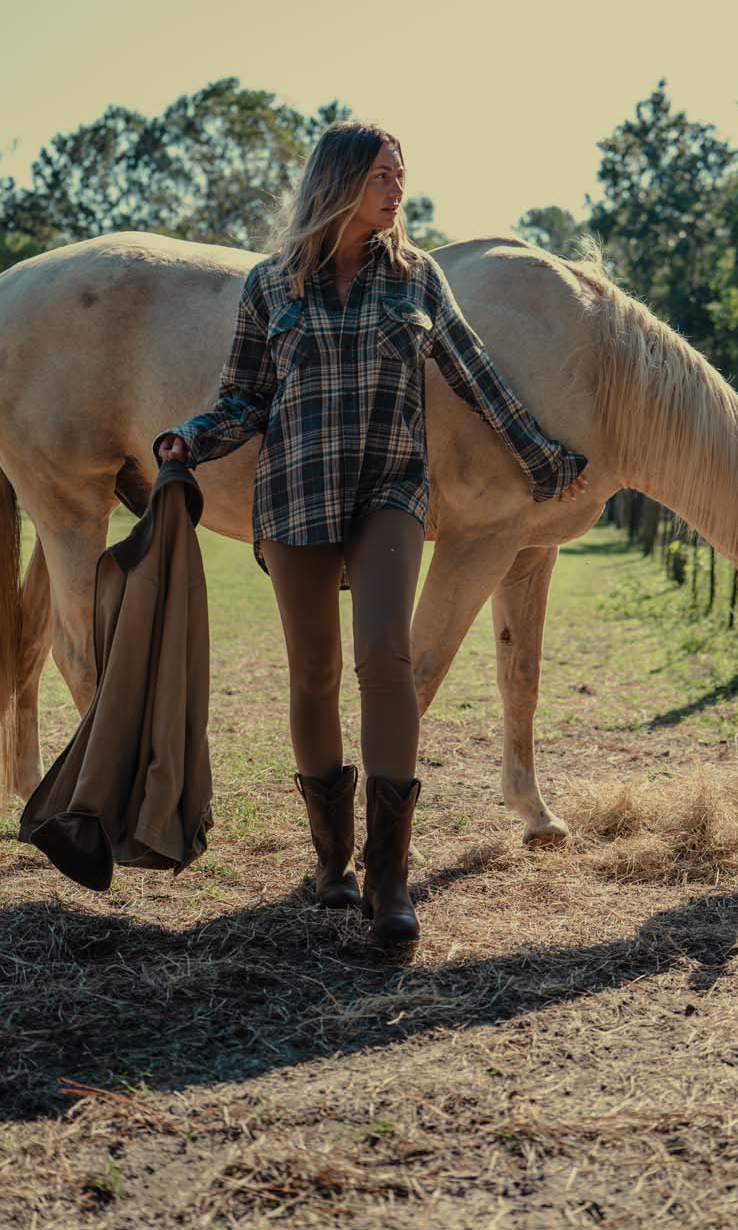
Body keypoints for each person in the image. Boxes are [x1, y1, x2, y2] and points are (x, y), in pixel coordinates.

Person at [153, 120, 589, 947]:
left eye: (402, 173)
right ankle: (332, 861)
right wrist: (190, 438)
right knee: (312, 673)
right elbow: (244, 398)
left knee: (384, 656)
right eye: (385, 174)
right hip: (296, 493)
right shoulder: (270, 286)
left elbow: (475, 370)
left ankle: (392, 879)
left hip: (391, 490)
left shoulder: (418, 279)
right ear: (340, 181)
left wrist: (542, 454)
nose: (399, 188)